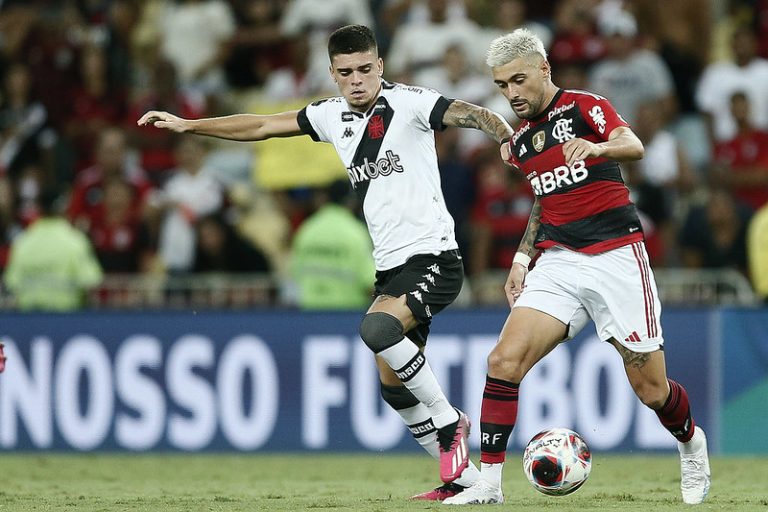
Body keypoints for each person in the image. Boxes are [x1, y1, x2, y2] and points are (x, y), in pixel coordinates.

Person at [138, 24, 515, 500]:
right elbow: (260, 125)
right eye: (345, 72)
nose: (356, 79)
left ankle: (449, 421)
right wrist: (192, 125)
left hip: (435, 255)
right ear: (333, 75)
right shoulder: (329, 115)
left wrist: (506, 138)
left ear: (379, 66)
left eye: (364, 69)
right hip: (391, 267)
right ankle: (465, 482)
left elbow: (473, 112)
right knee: (393, 386)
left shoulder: (413, 102)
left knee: (378, 330)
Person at [443, 28, 711, 506]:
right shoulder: (523, 141)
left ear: (544, 69)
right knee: (503, 361)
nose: (513, 93)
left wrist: (598, 148)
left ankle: (691, 443)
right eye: (503, 85)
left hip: (617, 256)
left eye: (519, 80)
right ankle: (487, 485)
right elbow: (546, 201)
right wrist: (523, 258)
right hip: (560, 260)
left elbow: (633, 144)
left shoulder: (585, 106)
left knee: (651, 391)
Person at [3, 188, 103, 311]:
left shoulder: (22, 242)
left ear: (39, 209)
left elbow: (12, 282)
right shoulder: (75, 241)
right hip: (68, 320)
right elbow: (91, 281)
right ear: (63, 208)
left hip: (29, 321)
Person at [290, 179, 375, 310]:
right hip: (346, 315)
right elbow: (370, 282)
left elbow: (294, 273)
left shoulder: (307, 229)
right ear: (351, 201)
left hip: (308, 313)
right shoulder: (355, 232)